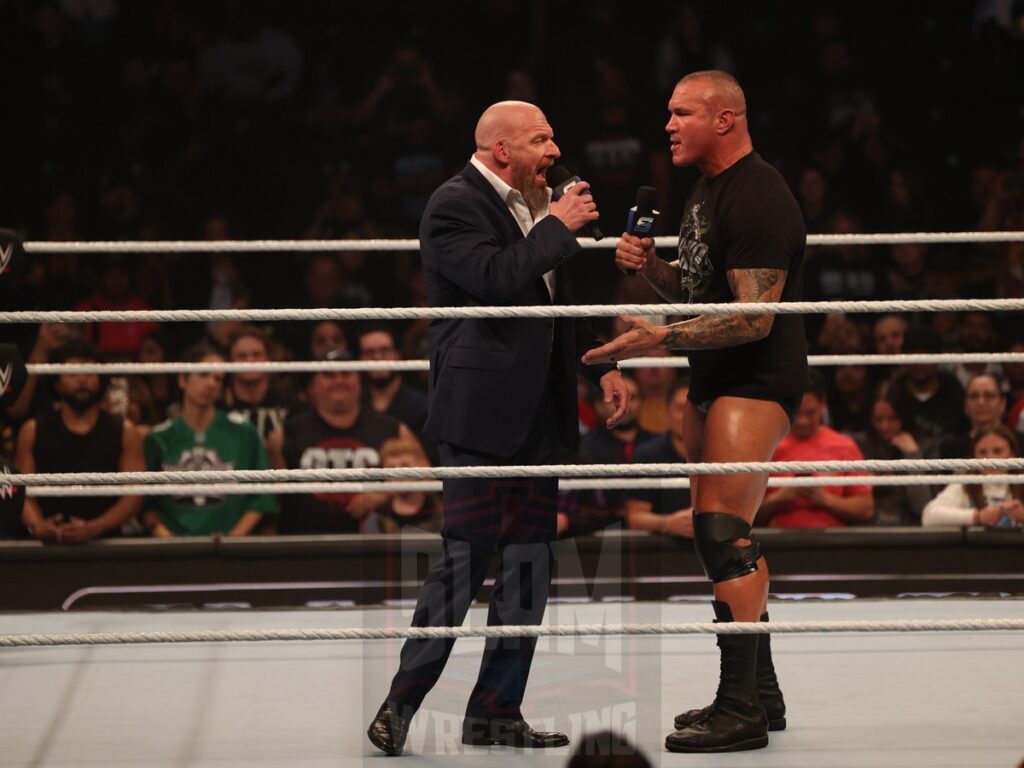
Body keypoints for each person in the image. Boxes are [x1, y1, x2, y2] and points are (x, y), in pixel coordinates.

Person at [368, 100, 628, 756]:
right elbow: (495, 283)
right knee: (463, 559)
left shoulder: (544, 204)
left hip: (540, 413)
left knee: (528, 570)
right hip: (479, 413)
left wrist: (602, 364)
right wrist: (559, 225)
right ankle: (400, 706)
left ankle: (495, 711)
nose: (555, 148)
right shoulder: (453, 205)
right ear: (502, 150)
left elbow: (560, 304)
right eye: (541, 138)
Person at [582, 71, 805, 752]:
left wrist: (661, 335)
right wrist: (652, 269)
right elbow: (705, 286)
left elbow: (755, 316)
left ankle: (740, 706)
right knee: (720, 534)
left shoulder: (760, 194)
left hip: (756, 378)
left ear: (727, 117)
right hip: (721, 379)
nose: (669, 126)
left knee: (722, 530)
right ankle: (759, 694)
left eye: (683, 113)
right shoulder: (708, 191)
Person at [266, 349, 417, 534]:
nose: (339, 380)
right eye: (329, 375)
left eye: (346, 373)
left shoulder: (392, 429)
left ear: (359, 381)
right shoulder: (285, 434)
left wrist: (384, 494)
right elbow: (273, 498)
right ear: (313, 385)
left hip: (373, 548)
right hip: (304, 546)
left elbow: (425, 483)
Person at [16, 340, 144, 542]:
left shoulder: (125, 431)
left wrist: (97, 527)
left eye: (90, 373)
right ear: (56, 381)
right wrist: (37, 525)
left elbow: (134, 496)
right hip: (48, 545)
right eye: (73, 374)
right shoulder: (33, 430)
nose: (83, 380)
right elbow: (22, 492)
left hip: (107, 545)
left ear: (101, 380)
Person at [143, 343, 276, 537]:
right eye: (204, 374)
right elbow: (146, 506)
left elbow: (262, 498)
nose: (211, 383)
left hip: (230, 551)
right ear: (183, 380)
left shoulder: (243, 432)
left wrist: (230, 540)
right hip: (171, 551)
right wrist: (169, 541)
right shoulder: (158, 438)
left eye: (218, 379)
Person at [758, 370, 874, 529]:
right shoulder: (768, 446)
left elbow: (866, 508)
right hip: (779, 543)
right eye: (798, 413)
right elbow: (742, 513)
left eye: (810, 412)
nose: (803, 421)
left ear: (823, 403)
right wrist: (781, 497)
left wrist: (823, 499)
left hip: (833, 543)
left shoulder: (844, 446)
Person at [623, 380, 694, 537]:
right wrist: (668, 523)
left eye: (694, 409)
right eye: (680, 408)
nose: (687, 416)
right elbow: (634, 518)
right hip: (661, 551)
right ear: (668, 411)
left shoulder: (721, 453)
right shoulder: (648, 455)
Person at [922, 424, 1024, 528]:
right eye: (982, 452)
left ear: (1012, 454)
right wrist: (977, 516)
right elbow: (929, 516)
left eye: (997, 451)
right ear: (974, 457)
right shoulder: (965, 483)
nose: (990, 458)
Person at [852, 398, 932, 525]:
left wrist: (913, 455)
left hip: (910, 527)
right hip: (867, 527)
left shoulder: (924, 446)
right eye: (878, 420)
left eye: (892, 418)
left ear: (903, 418)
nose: (885, 426)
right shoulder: (859, 445)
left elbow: (922, 506)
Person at [361, 436, 441, 534]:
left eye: (405, 466)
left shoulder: (442, 514)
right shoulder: (375, 520)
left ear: (420, 467)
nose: (398, 474)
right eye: (391, 467)